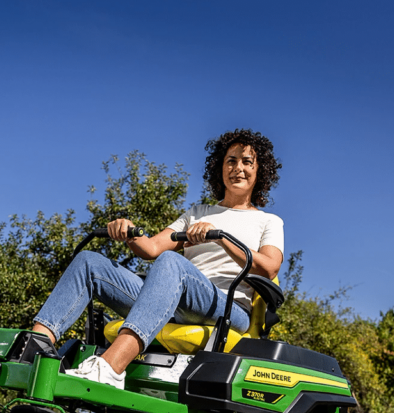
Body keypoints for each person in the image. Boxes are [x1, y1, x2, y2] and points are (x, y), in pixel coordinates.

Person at [30, 128, 284, 389]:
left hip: (227, 309)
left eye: (246, 162)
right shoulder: (197, 213)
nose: (238, 168)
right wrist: (129, 232)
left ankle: (110, 367)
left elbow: (269, 267)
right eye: (231, 161)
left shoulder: (268, 221)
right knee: (89, 262)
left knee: (173, 263)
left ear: (259, 171)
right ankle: (32, 352)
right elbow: (151, 248)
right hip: (173, 300)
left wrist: (221, 237)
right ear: (219, 168)